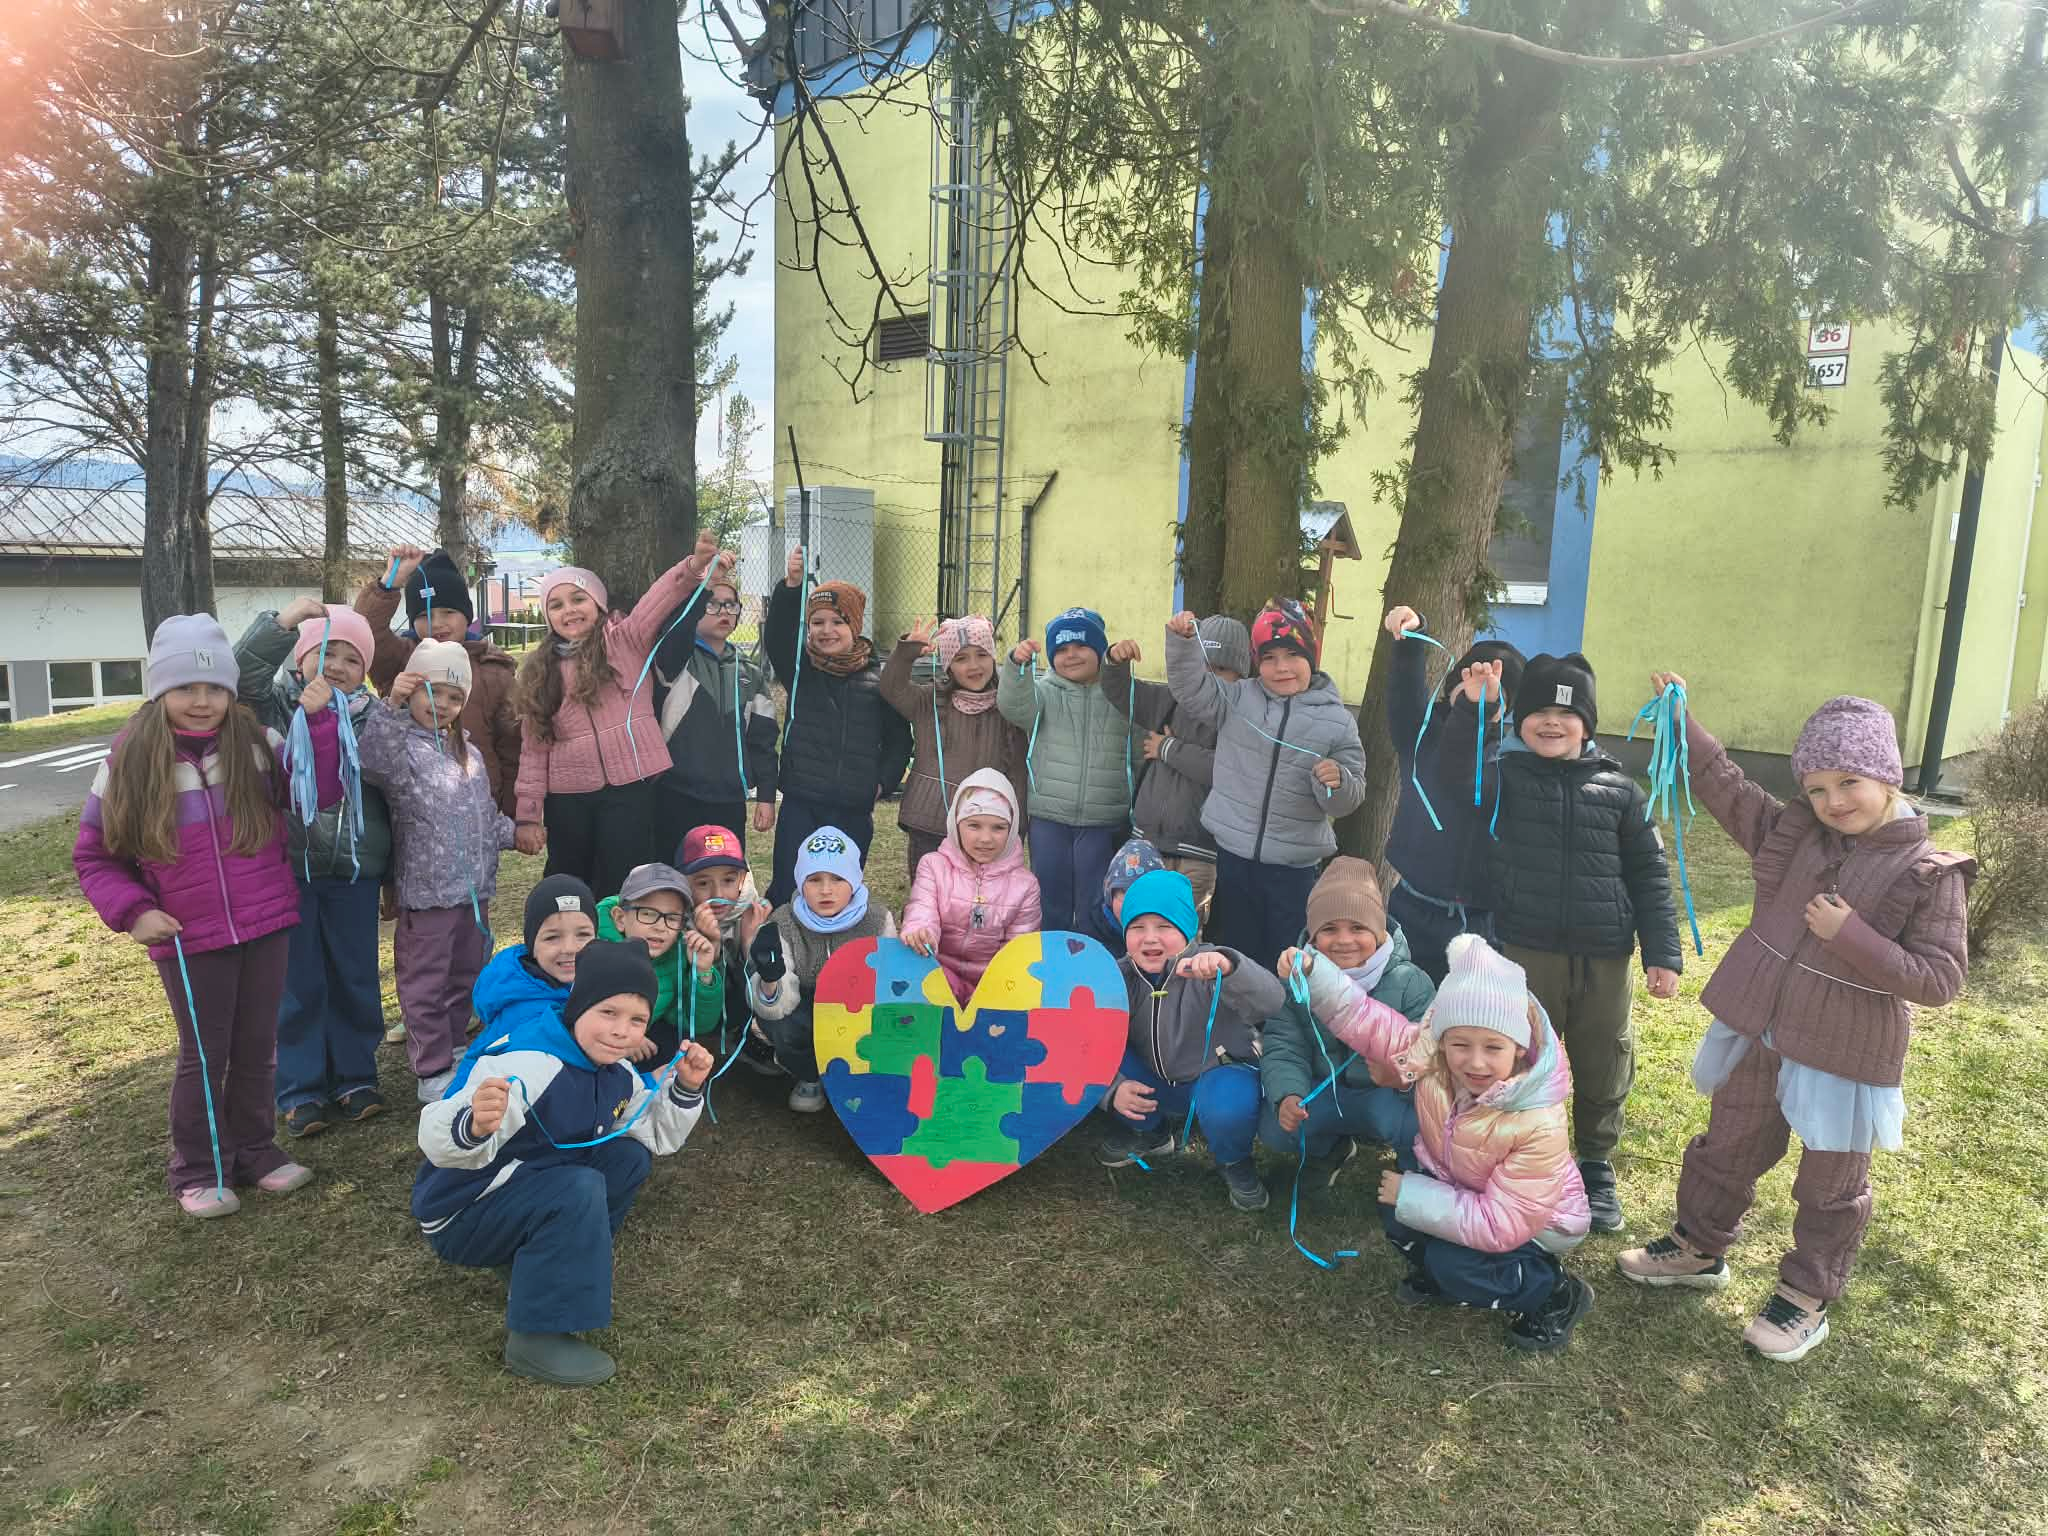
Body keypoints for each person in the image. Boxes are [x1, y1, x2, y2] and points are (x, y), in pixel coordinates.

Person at [1618, 687, 1973, 1364]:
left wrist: (1852, 935)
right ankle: (1698, 1247)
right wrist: (1684, 725)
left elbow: (1939, 980)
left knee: (1830, 1185)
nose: (1834, 802)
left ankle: (1806, 1295)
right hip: (1762, 1029)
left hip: (1844, 1053)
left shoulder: (1930, 872)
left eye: (1850, 782)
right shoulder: (1798, 835)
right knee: (1728, 1145)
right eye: (1816, 788)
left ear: (1887, 776)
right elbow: (1728, 789)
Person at [75, 615, 338, 1216]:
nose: (202, 701)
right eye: (185, 688)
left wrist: (319, 724)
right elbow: (94, 855)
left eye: (214, 687)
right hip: (189, 937)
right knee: (205, 1055)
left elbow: (316, 793)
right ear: (159, 690)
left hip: (266, 923)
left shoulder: (257, 744)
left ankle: (256, 1150)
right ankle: (198, 1167)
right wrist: (134, 912)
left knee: (258, 1047)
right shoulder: (130, 759)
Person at [414, 938, 715, 1387]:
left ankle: (558, 1263)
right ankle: (536, 1336)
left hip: (529, 1190)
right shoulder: (530, 1062)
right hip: (464, 1211)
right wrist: (473, 1124)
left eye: (637, 1020)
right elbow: (438, 1132)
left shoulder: (616, 1071)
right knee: (579, 1188)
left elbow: (652, 1132)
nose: (621, 1031)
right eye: (608, 1012)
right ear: (578, 1007)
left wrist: (685, 1087)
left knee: (628, 1157)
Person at [1285, 933, 1595, 1352]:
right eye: (1460, 1044)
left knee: (1451, 1259)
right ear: (1442, 1041)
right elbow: (1367, 1020)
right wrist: (1313, 971)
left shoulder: (1538, 1120)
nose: (1475, 1061)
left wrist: (1413, 1194)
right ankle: (1440, 1273)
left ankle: (1552, 1291)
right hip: (1465, 1185)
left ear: (1519, 1048)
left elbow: (1501, 1225)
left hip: (1538, 1224)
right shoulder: (1432, 1058)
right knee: (1398, 1214)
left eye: (1493, 1047)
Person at [1488, 652, 1683, 1233]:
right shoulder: (1503, 779)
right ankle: (1530, 1153)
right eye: (1539, 712)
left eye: (1568, 714)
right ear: (1519, 719)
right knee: (1526, 1058)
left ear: (1588, 725)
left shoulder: (1621, 792)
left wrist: (1663, 953)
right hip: (1527, 950)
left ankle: (1595, 1162)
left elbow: (1649, 875)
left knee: (1604, 1059)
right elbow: (1452, 775)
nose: (1552, 722)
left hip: (1604, 956)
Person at [232, 600, 392, 1137]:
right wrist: (282, 624)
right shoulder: (275, 705)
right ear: (300, 658)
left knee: (354, 976)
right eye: (326, 653)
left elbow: (393, 794)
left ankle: (355, 1077)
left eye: (352, 658)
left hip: (355, 870)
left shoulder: (375, 717)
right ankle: (301, 1088)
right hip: (289, 869)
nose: (337, 667)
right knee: (297, 981)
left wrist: (392, 873)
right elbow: (242, 674)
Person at [512, 534, 729, 898]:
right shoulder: (540, 672)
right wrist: (528, 816)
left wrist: (694, 567)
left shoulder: (626, 641)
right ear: (548, 617)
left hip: (630, 789)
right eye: (556, 605)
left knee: (626, 880)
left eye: (578, 599)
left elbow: (660, 598)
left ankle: (619, 934)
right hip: (568, 799)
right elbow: (533, 750)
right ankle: (574, 934)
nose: (569, 610)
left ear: (598, 604)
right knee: (570, 882)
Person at [355, 640, 518, 1103]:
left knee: (467, 974)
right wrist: (390, 706)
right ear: (411, 690)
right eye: (431, 691)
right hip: (427, 894)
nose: (442, 704)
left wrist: (516, 833)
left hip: (474, 893)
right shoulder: (400, 746)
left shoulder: (469, 753)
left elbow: (483, 813)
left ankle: (457, 1047)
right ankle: (431, 1067)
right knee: (425, 983)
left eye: (454, 696)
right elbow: (372, 762)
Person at [1162, 601, 1366, 966]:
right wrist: (1182, 644)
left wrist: (1336, 783)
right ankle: (1229, 1003)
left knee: (1286, 958)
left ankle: (1280, 1005)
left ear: (1312, 656)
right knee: (1230, 954)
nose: (1281, 667)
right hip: (1234, 859)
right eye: (1269, 658)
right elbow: (1191, 688)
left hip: (1294, 870)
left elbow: (1347, 800)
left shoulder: (1338, 721)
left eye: (1293, 655)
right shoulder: (1238, 697)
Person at [1093, 869, 1286, 1212]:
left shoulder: (1210, 965)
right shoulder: (1118, 976)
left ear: (1186, 929)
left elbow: (1272, 1001)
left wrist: (1231, 969)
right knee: (1106, 1057)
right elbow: (1085, 1043)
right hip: (1155, 1079)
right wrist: (1111, 1089)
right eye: (1137, 927)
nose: (1150, 938)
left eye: (1164, 926)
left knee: (1228, 1107)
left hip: (1215, 1075)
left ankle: (1234, 1161)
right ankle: (1153, 1133)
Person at [1259, 857, 1435, 1189]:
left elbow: (1430, 1058)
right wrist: (1288, 1094)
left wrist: (1401, 1078)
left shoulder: (1411, 982)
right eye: (1329, 929)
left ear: (1379, 932)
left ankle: (1414, 1173)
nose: (1343, 940)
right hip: (1323, 1089)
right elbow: (1284, 1044)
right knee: (1274, 1128)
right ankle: (1329, 1149)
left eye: (1357, 928)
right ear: (1313, 937)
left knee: (1419, 1123)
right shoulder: (1295, 980)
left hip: (1384, 1094)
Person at [1381, 605, 1526, 983]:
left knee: (1468, 1013)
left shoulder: (1512, 760)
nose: (1479, 693)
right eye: (1470, 681)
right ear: (1452, 686)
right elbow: (1404, 693)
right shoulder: (1421, 734)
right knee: (1403, 1005)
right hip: (1413, 906)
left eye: (1494, 692)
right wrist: (1411, 639)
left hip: (1481, 922)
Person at [761, 549, 913, 905]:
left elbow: (899, 742)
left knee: (840, 889)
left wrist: (881, 783)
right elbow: (778, 636)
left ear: (854, 626)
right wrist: (791, 588)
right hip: (801, 803)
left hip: (852, 808)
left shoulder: (879, 681)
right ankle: (781, 939)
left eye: (837, 622)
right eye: (817, 622)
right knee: (790, 884)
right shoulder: (800, 670)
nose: (827, 631)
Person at [998, 606, 1141, 932]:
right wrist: (1016, 665)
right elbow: (1013, 705)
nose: (1071, 655)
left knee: (1098, 897)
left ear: (1100, 650)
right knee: (1049, 894)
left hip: (1103, 818)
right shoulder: (1043, 693)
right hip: (1049, 817)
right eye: (1061, 649)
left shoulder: (1120, 695)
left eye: (1081, 646)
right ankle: (1051, 951)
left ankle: (1095, 951)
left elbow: (1137, 753)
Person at [1100, 616, 1246, 926]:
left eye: (1221, 669)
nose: (1209, 676)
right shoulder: (1168, 700)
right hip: (1148, 844)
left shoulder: (1238, 716)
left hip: (1199, 852)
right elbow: (1119, 691)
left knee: (1181, 931)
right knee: (1139, 925)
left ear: (1241, 675)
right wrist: (1114, 661)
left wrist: (1167, 749)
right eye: (1202, 665)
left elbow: (1224, 770)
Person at [358, 546, 522, 818]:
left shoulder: (494, 671)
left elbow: (512, 749)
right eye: (424, 616)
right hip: (414, 815)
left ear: (467, 614)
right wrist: (390, 583)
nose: (437, 623)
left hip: (480, 812)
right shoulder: (400, 659)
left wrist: (515, 815)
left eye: (448, 612)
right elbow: (366, 631)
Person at [745, 826, 898, 1114]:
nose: (826, 890)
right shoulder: (784, 921)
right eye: (814, 879)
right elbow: (776, 1001)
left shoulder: (877, 920)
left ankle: (862, 1074)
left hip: (860, 1008)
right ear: (800, 881)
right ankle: (809, 1074)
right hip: (806, 1007)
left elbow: (891, 979)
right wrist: (770, 980)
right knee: (781, 1022)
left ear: (854, 879)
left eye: (838, 878)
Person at [882, 614, 1029, 885]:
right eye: (961, 659)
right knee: (930, 893)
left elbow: (1019, 770)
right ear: (948, 665)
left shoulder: (1010, 707)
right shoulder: (927, 701)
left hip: (987, 826)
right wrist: (907, 652)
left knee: (984, 896)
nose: (973, 666)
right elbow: (892, 688)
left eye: (981, 655)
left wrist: (1018, 823)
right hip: (931, 821)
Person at [649, 562, 780, 865]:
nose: (723, 611)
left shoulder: (749, 673)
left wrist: (766, 795)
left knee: (723, 873)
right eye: (712, 603)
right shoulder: (676, 661)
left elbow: (762, 740)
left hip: (729, 798)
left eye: (731, 605)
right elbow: (676, 629)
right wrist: (704, 585)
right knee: (675, 874)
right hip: (676, 794)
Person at [899, 769, 1041, 998]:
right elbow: (922, 910)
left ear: (1012, 828)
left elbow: (1019, 948)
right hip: (938, 972)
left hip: (995, 983)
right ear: (956, 824)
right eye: (974, 825)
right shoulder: (933, 866)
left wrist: (994, 990)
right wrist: (921, 932)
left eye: (998, 827)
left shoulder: (1026, 885)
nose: (985, 838)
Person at [596, 862, 727, 1067]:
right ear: (620, 918)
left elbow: (696, 1024)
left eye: (672, 918)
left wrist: (702, 971)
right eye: (648, 913)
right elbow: (568, 1011)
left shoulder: (675, 955)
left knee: (673, 1046)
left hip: (635, 1046)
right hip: (586, 1049)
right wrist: (626, 1035)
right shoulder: (595, 950)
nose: (660, 927)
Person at [675, 824, 778, 1075]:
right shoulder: (674, 919)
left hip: (737, 1011)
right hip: (690, 1018)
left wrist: (749, 943)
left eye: (729, 880)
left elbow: (770, 989)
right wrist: (711, 945)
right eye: (703, 883)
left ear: (742, 879)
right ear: (683, 883)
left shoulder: (755, 913)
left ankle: (744, 1038)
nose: (718, 893)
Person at [473, 876, 601, 1041]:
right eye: (552, 937)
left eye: (583, 934)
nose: (570, 948)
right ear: (532, 945)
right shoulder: (526, 1017)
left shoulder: (599, 976)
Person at [1086, 835, 1165, 953]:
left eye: (1143, 895)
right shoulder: (1091, 930)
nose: (1132, 904)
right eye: (1124, 894)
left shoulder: (1171, 931)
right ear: (1109, 896)